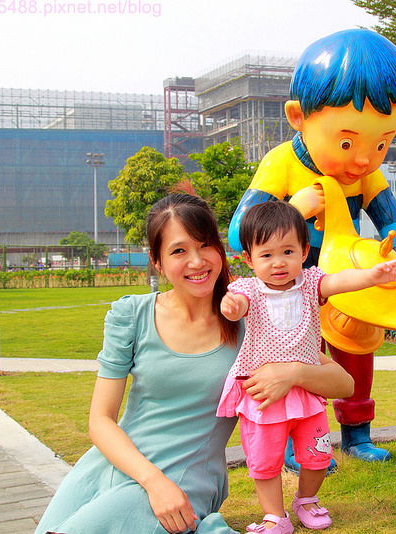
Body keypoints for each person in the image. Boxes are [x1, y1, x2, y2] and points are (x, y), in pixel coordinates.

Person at [35, 185, 354, 534]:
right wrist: (152, 481)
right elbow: (100, 421)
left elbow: (344, 384)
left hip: (187, 478)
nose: (197, 261)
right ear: (157, 261)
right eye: (179, 251)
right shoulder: (132, 316)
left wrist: (293, 373)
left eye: (205, 245)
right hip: (117, 466)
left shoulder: (250, 318)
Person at [227, 29, 396, 464]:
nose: (364, 158)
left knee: (356, 355)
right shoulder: (282, 163)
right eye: (347, 142)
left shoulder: (364, 175)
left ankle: (357, 434)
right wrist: (294, 209)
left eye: (382, 143)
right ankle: (291, 442)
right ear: (299, 117)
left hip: (342, 279)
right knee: (289, 357)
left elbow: (393, 221)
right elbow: (239, 233)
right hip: (288, 283)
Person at [218, 201, 396, 533]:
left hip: (307, 392)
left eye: (288, 251)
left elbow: (341, 280)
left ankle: (306, 499)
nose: (278, 262)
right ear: (248, 259)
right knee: (264, 462)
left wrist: (372, 275)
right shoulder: (247, 289)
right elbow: (235, 306)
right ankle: (274, 516)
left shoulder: (309, 284)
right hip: (265, 395)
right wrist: (231, 307)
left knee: (318, 455)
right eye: (266, 255)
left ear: (304, 251)